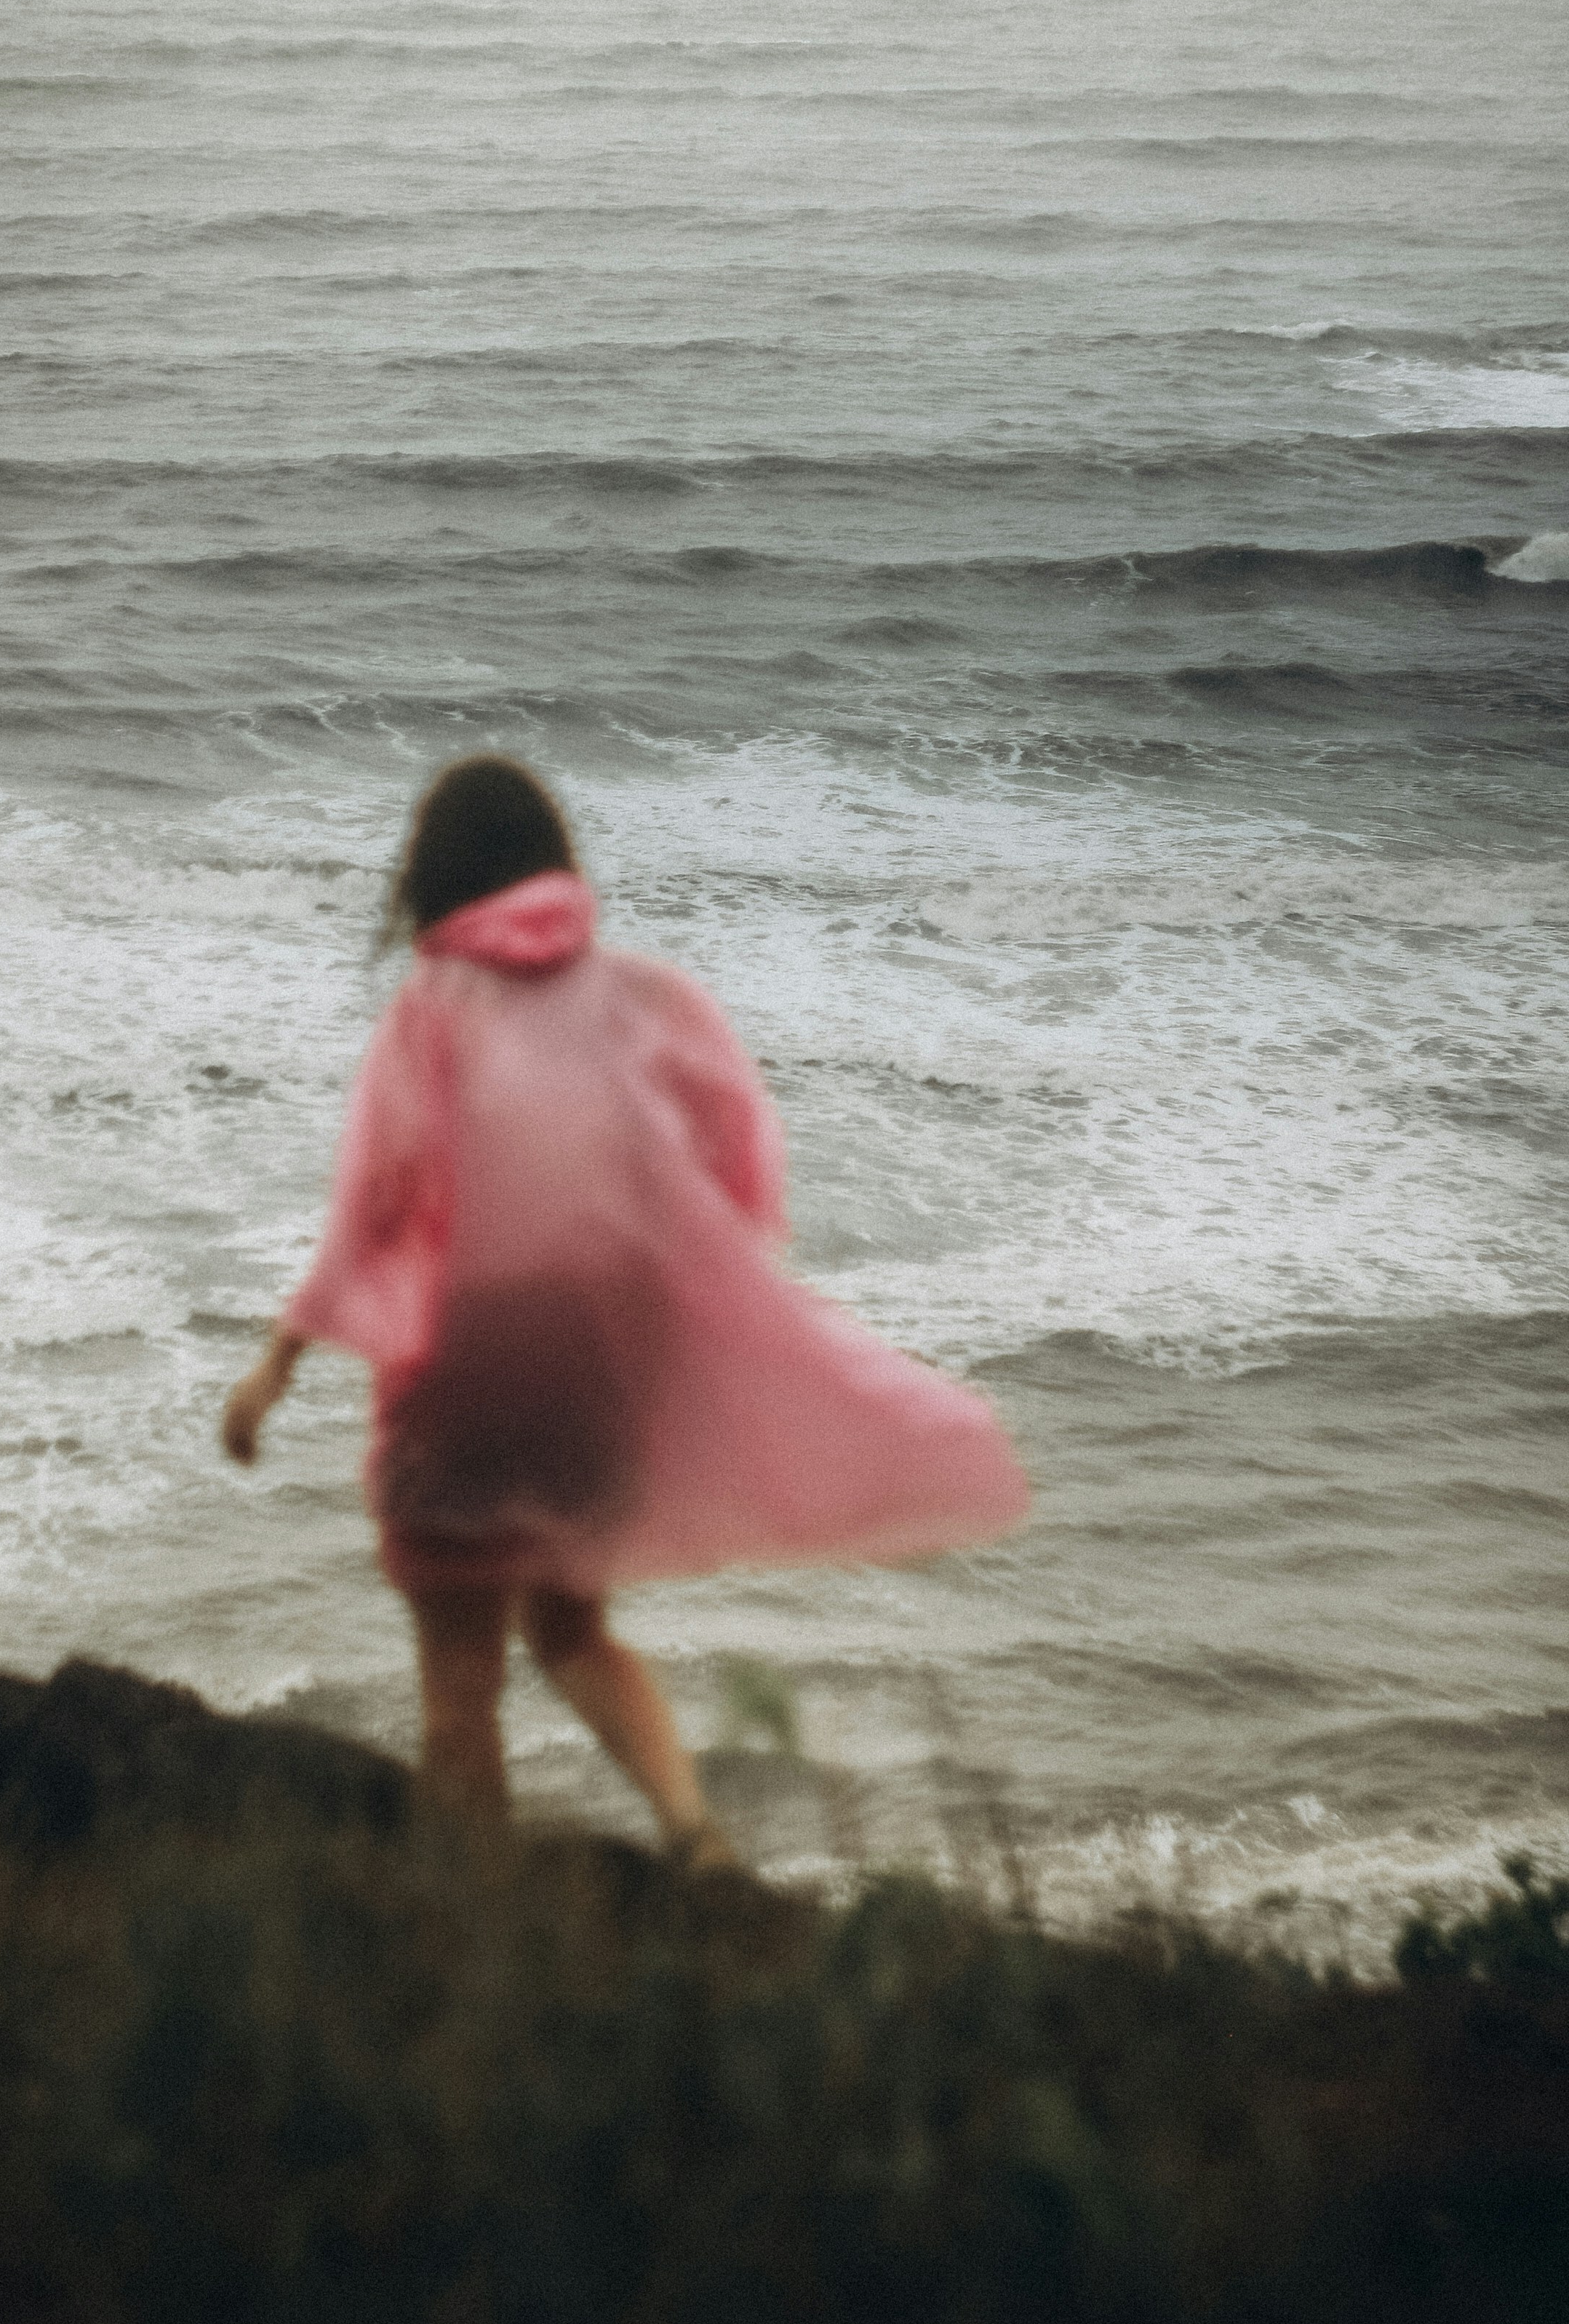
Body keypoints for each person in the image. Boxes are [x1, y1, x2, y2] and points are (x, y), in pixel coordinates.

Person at [223, 755, 1028, 1864]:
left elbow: (376, 1204)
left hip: (465, 1372)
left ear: (435, 873)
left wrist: (274, 1369)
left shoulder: (432, 1011)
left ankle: (475, 1918)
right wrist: (684, 1287)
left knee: (459, 1680)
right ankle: (694, 1836)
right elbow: (742, 1156)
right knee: (570, 1628)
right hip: (602, 1366)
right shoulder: (650, 996)